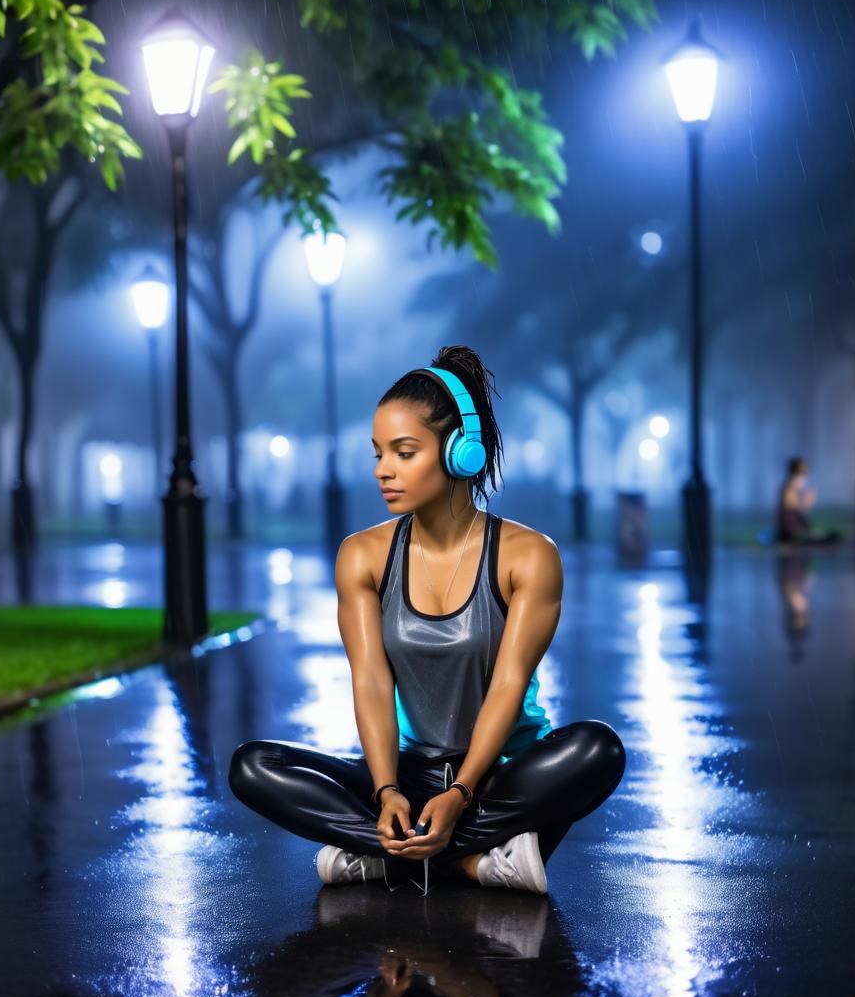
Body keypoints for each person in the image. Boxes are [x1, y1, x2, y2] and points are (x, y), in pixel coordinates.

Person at [229, 345, 627, 894]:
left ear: (460, 452)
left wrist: (461, 792)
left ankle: (389, 855)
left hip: (499, 777)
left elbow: (509, 686)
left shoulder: (528, 556)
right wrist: (388, 791)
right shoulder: (362, 556)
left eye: (404, 452)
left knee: (597, 750)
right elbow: (370, 680)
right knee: (254, 765)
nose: (383, 470)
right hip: (407, 774)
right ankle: (468, 858)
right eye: (378, 454)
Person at [775, 456, 842, 545]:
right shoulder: (788, 489)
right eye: (803, 473)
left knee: (833, 536)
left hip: (798, 531)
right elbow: (799, 506)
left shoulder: (792, 489)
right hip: (792, 534)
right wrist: (808, 499)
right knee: (831, 538)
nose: (804, 477)